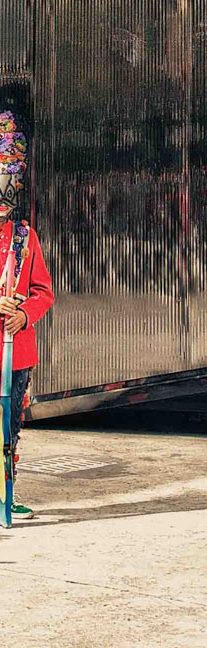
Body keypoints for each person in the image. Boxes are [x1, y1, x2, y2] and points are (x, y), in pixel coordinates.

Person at [0, 110, 54, 520]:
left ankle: (6, 493)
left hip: (17, 352)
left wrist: (24, 314)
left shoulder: (25, 235)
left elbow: (43, 292)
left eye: (8, 178)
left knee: (10, 428)